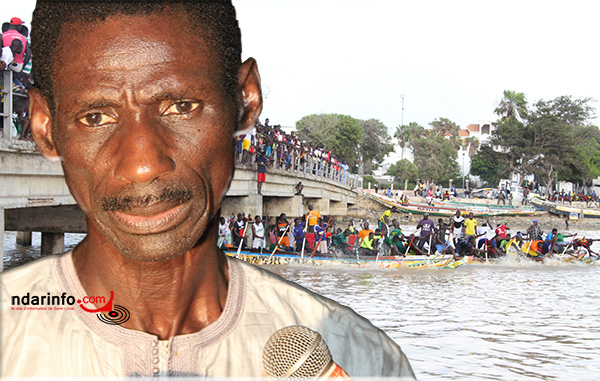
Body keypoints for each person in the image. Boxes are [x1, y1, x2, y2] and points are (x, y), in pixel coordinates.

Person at [0, 2, 415, 377]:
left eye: (181, 107)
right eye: (94, 117)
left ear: (245, 101)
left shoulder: (361, 359)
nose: (142, 165)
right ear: (44, 127)